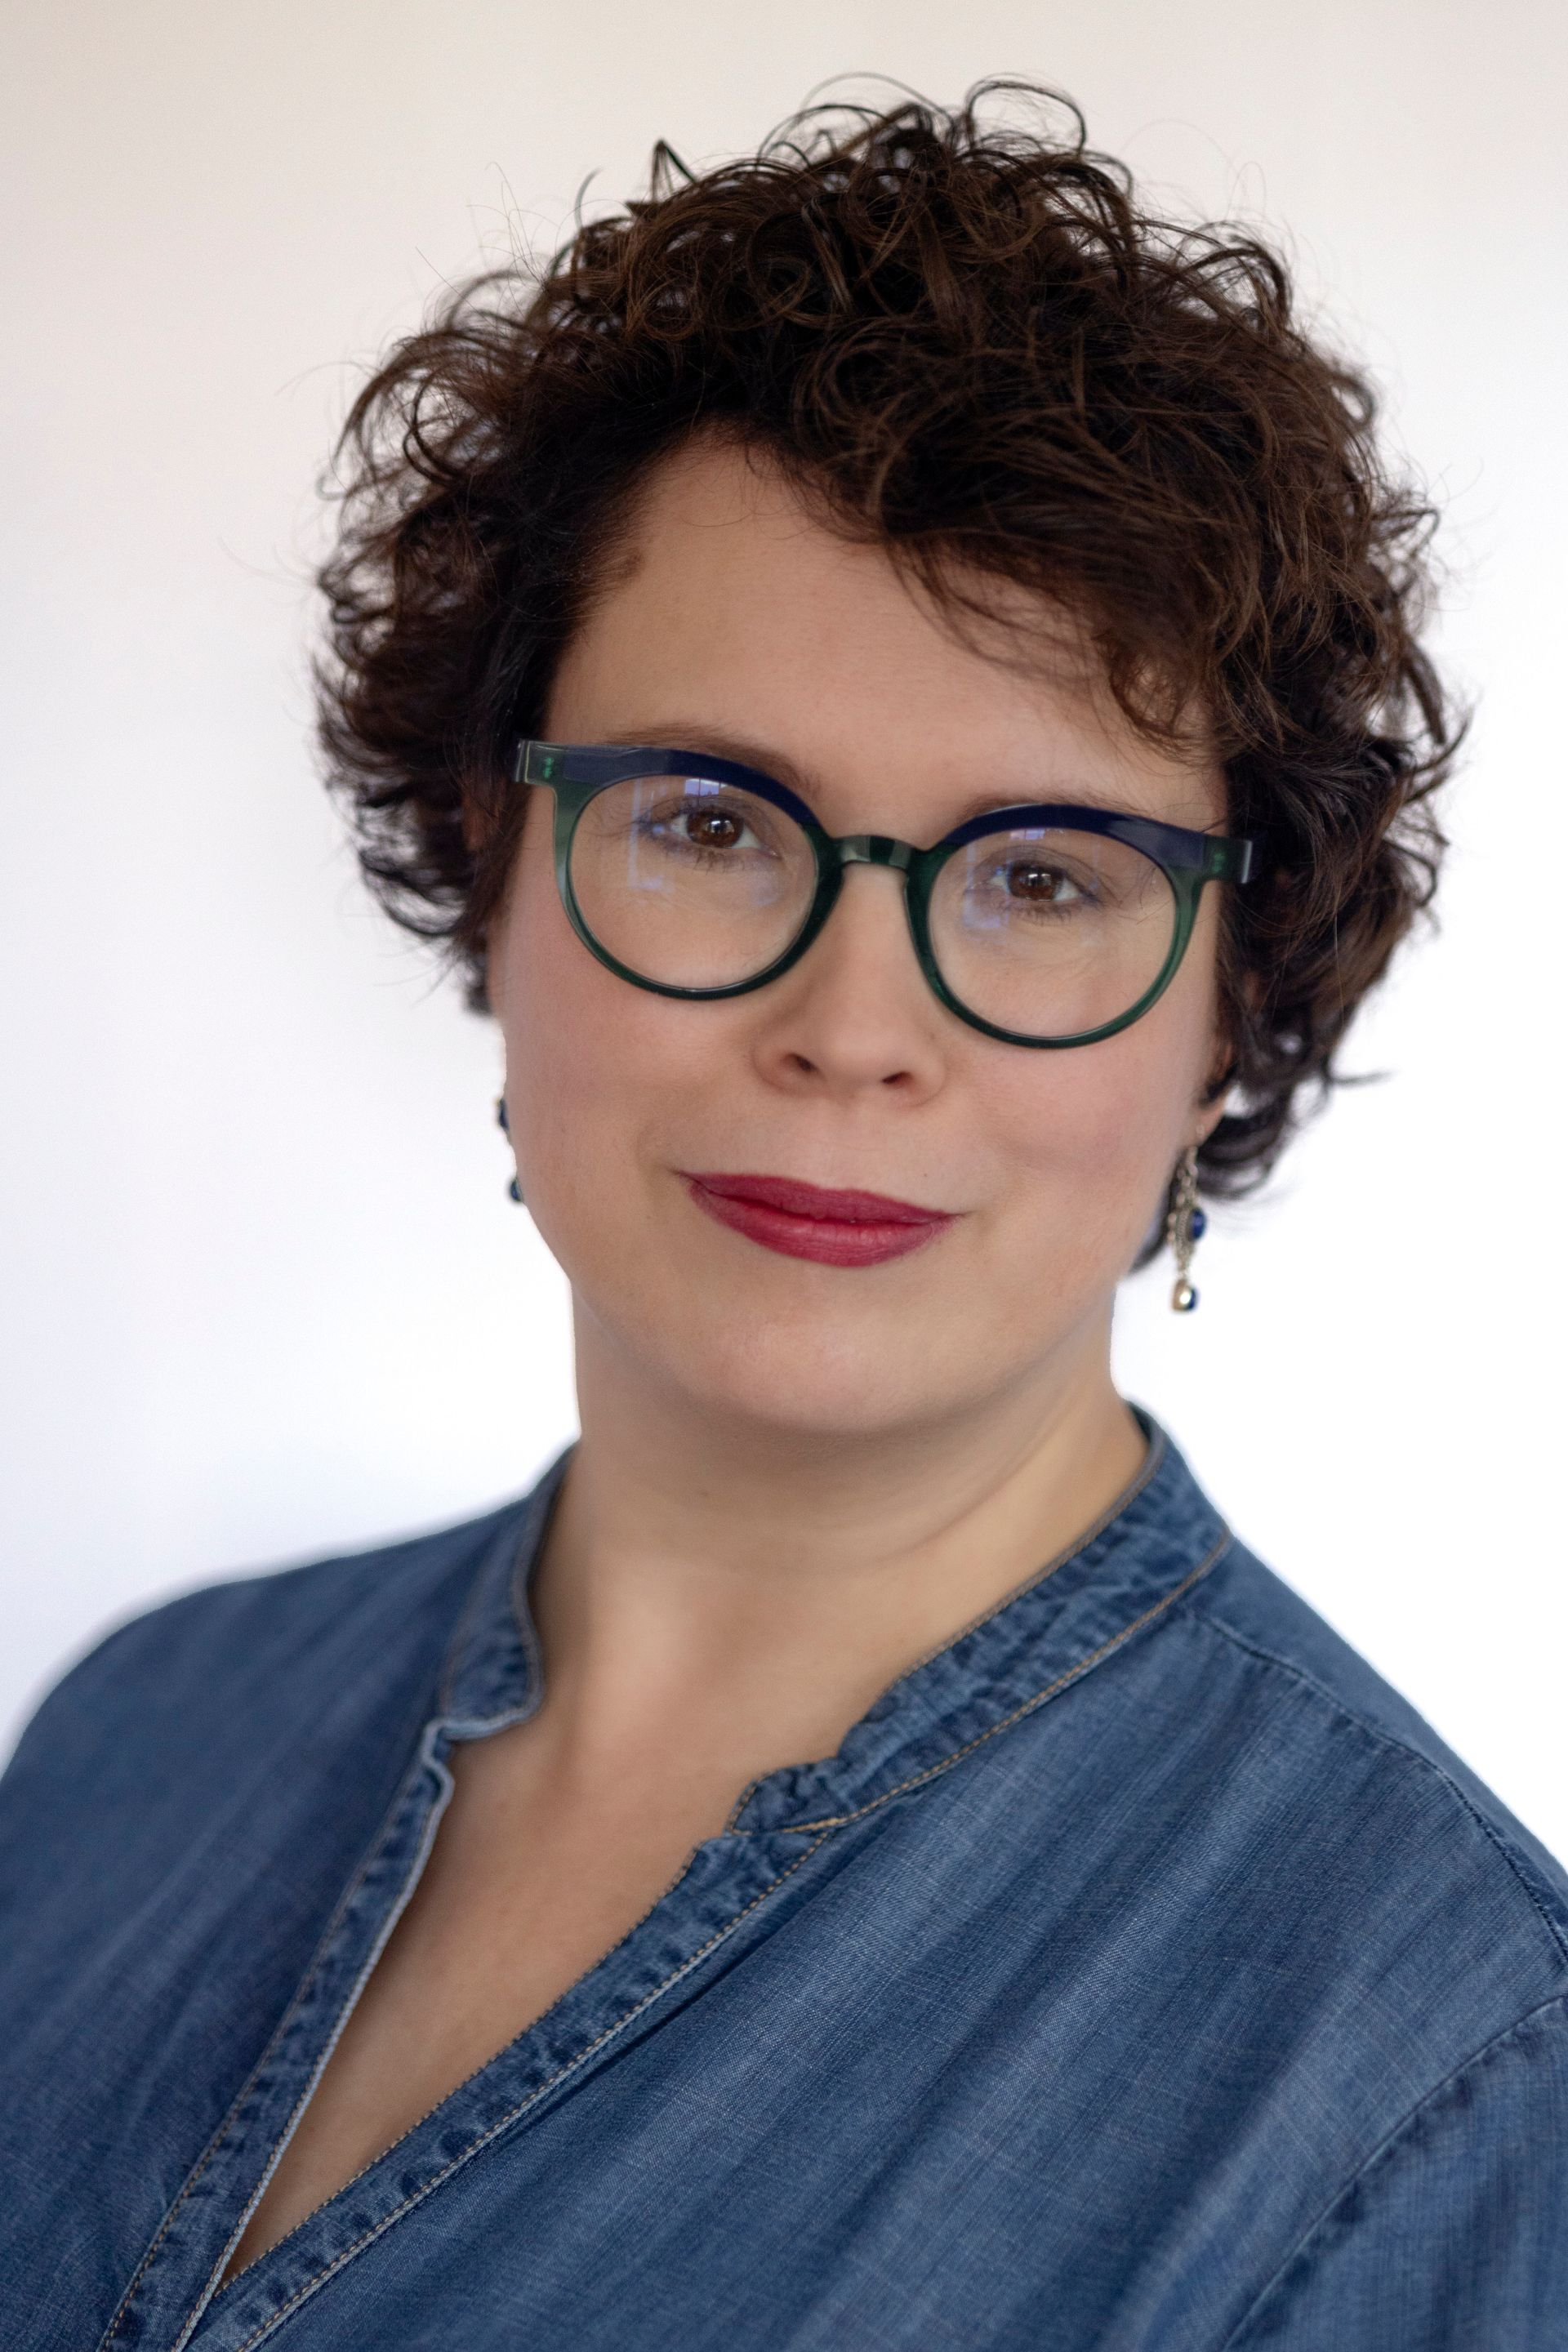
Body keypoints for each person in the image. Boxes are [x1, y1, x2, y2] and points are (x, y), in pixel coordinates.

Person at [2, 83, 1564, 2352]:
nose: (851, 1031)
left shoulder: (1453, 2076)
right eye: (713, 825)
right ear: (497, 864)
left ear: (1234, 1008)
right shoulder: (136, 1735)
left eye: (1043, 878)